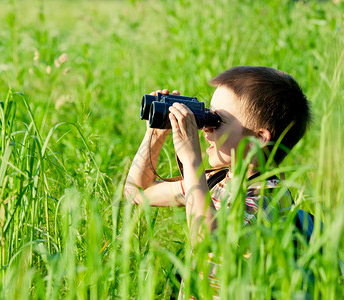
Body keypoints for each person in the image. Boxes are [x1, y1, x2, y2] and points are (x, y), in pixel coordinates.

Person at [124, 66, 312, 298]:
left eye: (217, 121)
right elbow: (136, 192)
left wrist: (192, 161)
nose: (205, 129)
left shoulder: (267, 199)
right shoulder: (218, 180)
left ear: (259, 139)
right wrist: (155, 134)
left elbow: (208, 240)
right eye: (206, 116)